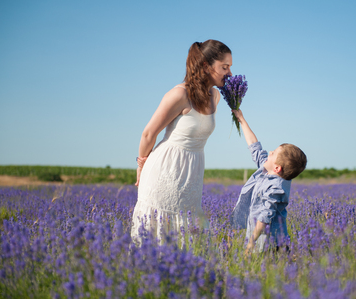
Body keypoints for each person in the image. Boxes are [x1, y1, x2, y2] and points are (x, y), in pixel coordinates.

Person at [131, 40, 232, 243]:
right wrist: (141, 166)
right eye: (224, 67)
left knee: (188, 239)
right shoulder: (180, 94)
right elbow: (148, 134)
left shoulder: (215, 96)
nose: (229, 74)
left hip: (191, 174)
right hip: (164, 170)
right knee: (157, 237)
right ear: (206, 66)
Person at [230, 109, 307, 253]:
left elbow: (264, 218)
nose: (269, 152)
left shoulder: (276, 189)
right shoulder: (266, 169)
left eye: (273, 153)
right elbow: (255, 147)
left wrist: (251, 243)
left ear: (277, 168)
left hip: (273, 244)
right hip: (261, 240)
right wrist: (241, 119)